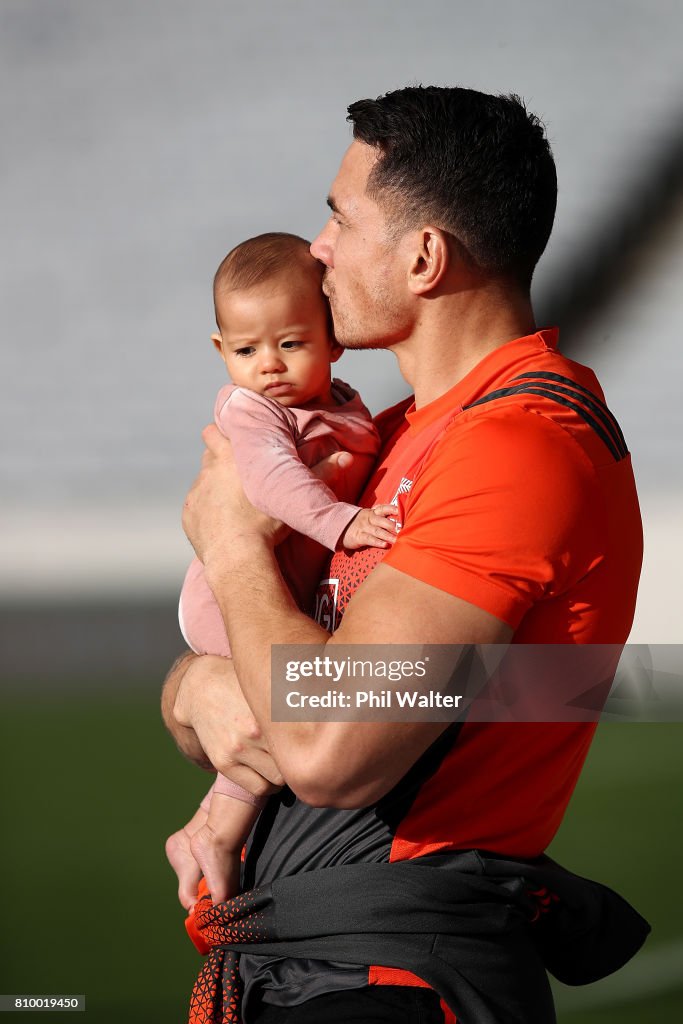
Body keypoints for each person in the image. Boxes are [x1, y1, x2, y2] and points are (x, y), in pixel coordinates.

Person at [163, 86, 644, 1024]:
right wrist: (192, 689)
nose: (318, 248)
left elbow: (326, 748)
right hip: (314, 962)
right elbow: (246, 694)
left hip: (396, 979)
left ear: (423, 257)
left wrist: (228, 544)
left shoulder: (520, 446)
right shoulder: (396, 433)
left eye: (341, 216)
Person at [166, 231, 398, 909]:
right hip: (225, 592)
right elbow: (267, 487)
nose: (267, 364)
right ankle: (213, 827)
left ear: (333, 343)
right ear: (221, 351)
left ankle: (210, 827)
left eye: (289, 344)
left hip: (275, 586)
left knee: (264, 714)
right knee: (281, 705)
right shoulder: (255, 410)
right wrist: (342, 523)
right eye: (245, 350)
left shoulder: (342, 405)